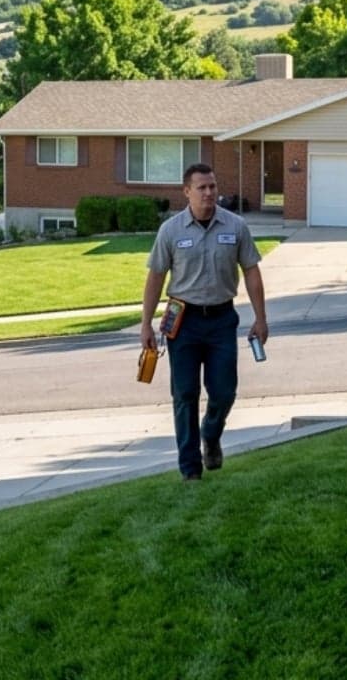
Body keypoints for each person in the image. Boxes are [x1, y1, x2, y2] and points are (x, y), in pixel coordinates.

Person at [140, 163, 269, 482]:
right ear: (187, 192)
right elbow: (156, 277)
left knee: (224, 392)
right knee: (184, 394)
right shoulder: (170, 231)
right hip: (182, 322)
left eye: (213, 186)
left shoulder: (235, 226)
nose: (210, 192)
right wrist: (145, 324)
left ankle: (210, 436)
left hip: (222, 319)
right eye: (202, 188)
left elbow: (251, 270)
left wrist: (260, 318)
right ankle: (190, 470)